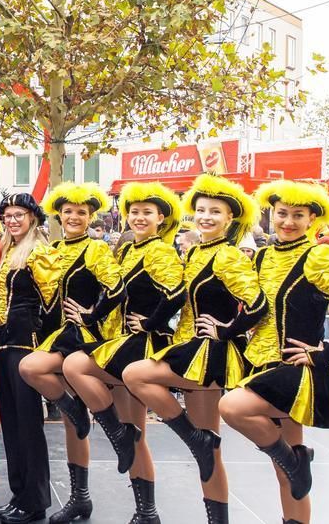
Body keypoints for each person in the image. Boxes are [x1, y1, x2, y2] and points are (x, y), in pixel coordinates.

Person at [219, 180, 329, 524]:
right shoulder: (266, 255)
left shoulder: (318, 256)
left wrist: (325, 354)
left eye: (298, 215)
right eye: (282, 213)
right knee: (284, 463)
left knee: (232, 407)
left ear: (313, 218)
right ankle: (296, 501)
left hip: (294, 367)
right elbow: (255, 307)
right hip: (260, 363)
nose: (287, 221)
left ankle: (295, 460)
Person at [123, 174, 266, 524]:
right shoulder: (196, 252)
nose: (205, 216)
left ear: (229, 219)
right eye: (201, 210)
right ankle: (216, 512)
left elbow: (257, 303)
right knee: (209, 452)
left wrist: (226, 330)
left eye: (214, 212)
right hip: (189, 350)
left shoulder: (228, 256)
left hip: (210, 355)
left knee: (135, 374)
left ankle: (193, 437)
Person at [63, 182, 185, 524]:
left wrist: (151, 323)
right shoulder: (129, 249)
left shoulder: (160, 250)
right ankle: (146, 511)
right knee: (135, 433)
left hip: (139, 347)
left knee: (132, 428)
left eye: (147, 212)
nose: (139, 217)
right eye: (134, 212)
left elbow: (177, 293)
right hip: (119, 344)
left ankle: (122, 440)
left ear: (161, 217)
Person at [18, 182, 125, 524]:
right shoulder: (54, 247)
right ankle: (81, 498)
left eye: (81, 212)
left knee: (30, 369)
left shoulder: (95, 249)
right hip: (58, 335)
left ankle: (107, 425)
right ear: (59, 216)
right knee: (70, 424)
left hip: (84, 336)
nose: (74, 217)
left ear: (90, 216)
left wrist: (92, 314)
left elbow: (117, 288)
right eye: (68, 212)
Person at [0, 193, 52, 523]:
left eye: (19, 215)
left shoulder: (39, 251)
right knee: (12, 425)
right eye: (7, 216)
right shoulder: (7, 250)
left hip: (26, 345)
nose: (12, 220)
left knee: (28, 425)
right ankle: (20, 495)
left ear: (33, 218)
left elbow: (52, 301)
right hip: (3, 343)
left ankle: (35, 501)